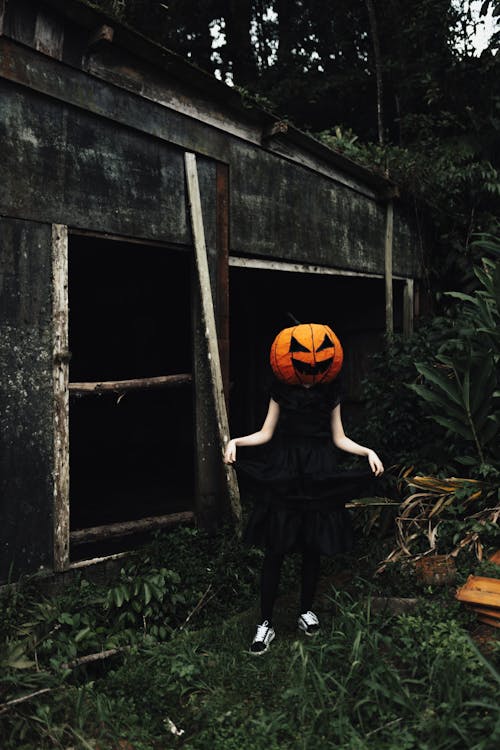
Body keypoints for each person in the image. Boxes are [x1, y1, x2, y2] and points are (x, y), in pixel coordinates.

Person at [224, 323, 384, 655]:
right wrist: (235, 441)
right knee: (276, 549)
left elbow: (339, 438)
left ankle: (304, 611)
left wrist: (367, 451)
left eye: (319, 365)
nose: (311, 372)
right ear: (289, 361)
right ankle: (265, 622)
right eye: (305, 365)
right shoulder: (281, 392)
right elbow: (266, 433)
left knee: (312, 546)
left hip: (319, 472)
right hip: (284, 471)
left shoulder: (330, 394)